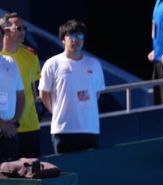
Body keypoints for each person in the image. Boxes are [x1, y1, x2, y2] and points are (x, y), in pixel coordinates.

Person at [38, 19, 105, 154]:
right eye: (72, 36)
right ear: (63, 39)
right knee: (67, 171)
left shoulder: (94, 64)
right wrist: (57, 111)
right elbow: (44, 93)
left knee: (91, 172)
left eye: (80, 36)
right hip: (63, 131)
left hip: (90, 130)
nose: (77, 40)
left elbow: (96, 94)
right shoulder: (52, 63)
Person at [1, 13, 40, 158]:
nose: (23, 32)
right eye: (18, 28)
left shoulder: (31, 55)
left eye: (24, 28)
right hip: (4, 130)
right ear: (5, 31)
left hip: (30, 126)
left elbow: (32, 89)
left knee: (33, 175)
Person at [0, 44, 22, 163]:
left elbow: (20, 95)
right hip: (6, 129)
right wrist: (2, 124)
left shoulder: (11, 62)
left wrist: (15, 123)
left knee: (11, 179)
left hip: (10, 135)